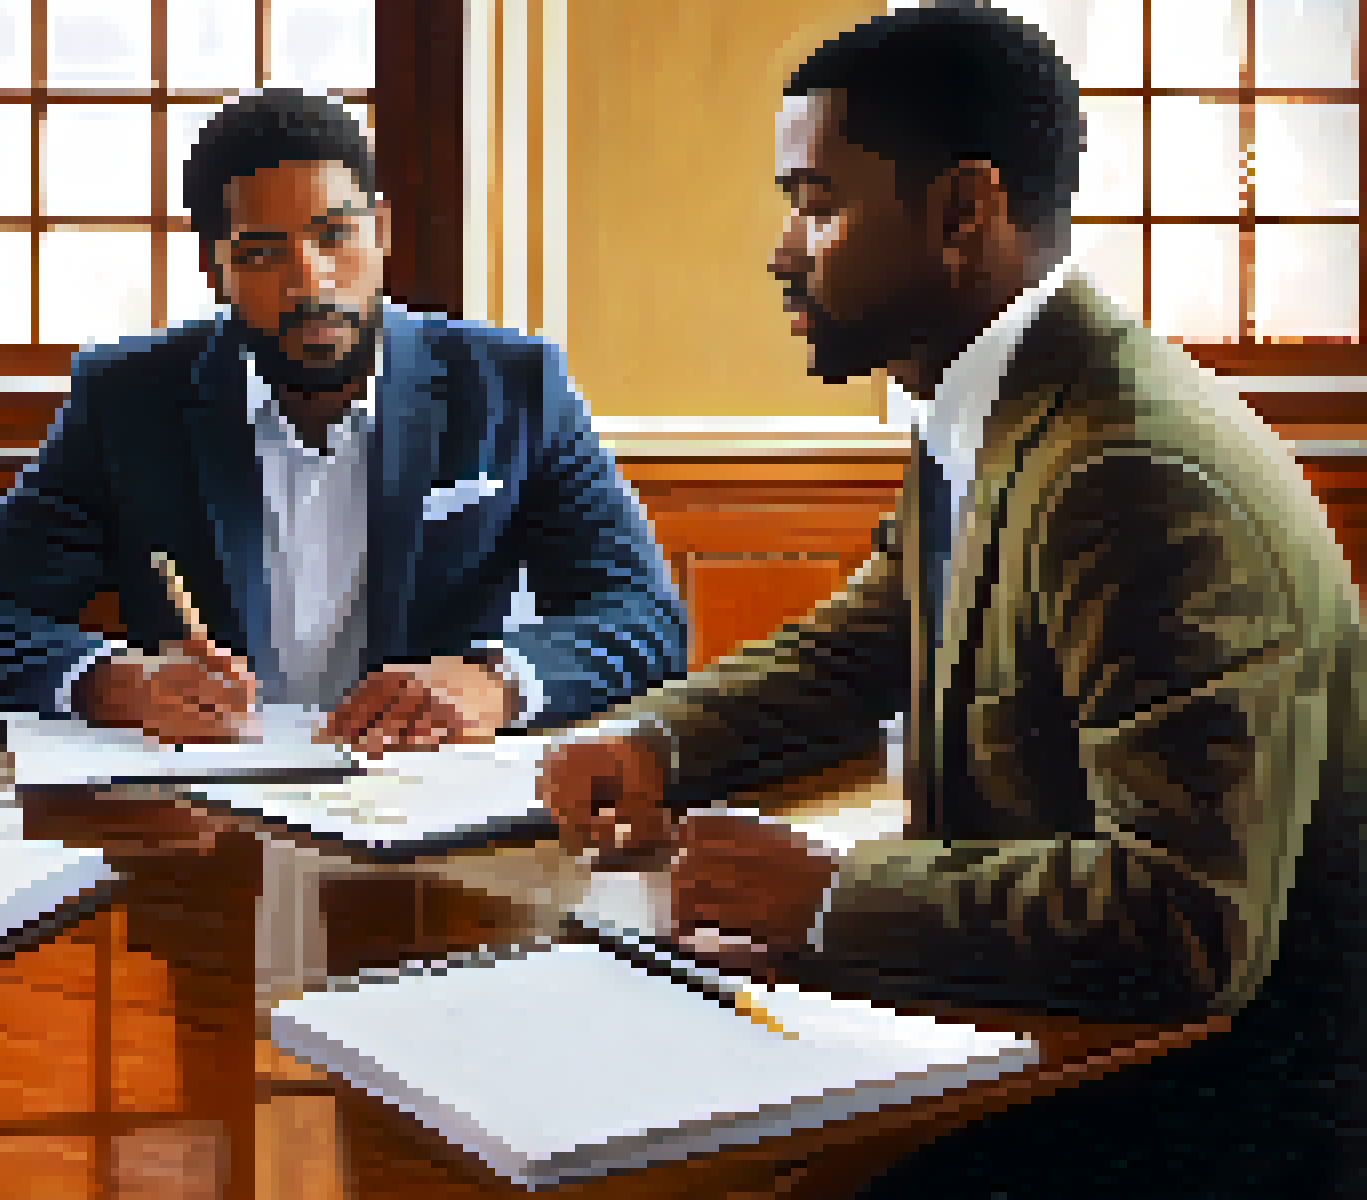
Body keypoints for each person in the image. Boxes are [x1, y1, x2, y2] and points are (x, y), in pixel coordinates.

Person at [538, 8, 1366, 1196]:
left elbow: (1186, 921)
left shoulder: (1132, 473)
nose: (783, 249)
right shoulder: (993, 404)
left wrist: (830, 900)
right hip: (1049, 1048)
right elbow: (860, 643)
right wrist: (657, 743)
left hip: (1191, 1122)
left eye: (818, 204)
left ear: (962, 211)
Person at [0, 89, 686, 754]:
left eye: (334, 237)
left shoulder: (515, 387)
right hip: (212, 828)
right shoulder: (129, 399)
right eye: (262, 255)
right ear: (214, 268)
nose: (309, 283)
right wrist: (110, 682)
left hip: (434, 813)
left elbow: (645, 620)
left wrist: (499, 681)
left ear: (380, 231)